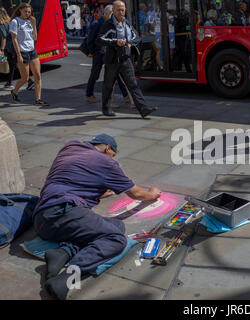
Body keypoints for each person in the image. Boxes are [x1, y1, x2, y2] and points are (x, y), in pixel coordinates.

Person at [32, 134, 161, 300]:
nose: (113, 159)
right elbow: (136, 193)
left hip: (42, 219)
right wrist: (152, 194)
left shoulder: (70, 147)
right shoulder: (106, 162)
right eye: (113, 155)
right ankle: (65, 280)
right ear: (108, 148)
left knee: (117, 225)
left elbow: (72, 178)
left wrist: (95, 192)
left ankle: (63, 252)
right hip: (63, 212)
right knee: (115, 239)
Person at [97, 1, 157, 117]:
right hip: (112, 60)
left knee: (133, 84)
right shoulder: (108, 25)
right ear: (113, 11)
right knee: (108, 85)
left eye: (123, 10)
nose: (121, 12)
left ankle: (143, 109)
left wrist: (129, 43)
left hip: (125, 59)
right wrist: (115, 42)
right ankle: (106, 108)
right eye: (118, 10)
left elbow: (137, 37)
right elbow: (99, 40)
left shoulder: (127, 24)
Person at [85, 5, 131, 105]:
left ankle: (126, 95)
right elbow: (90, 39)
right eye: (111, 13)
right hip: (99, 53)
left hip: (108, 52)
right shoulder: (97, 23)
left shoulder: (109, 23)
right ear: (105, 13)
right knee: (95, 74)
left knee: (117, 74)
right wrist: (92, 52)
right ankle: (89, 95)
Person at [10, 2, 48, 106]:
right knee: (25, 78)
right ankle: (14, 92)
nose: (27, 14)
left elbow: (34, 37)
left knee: (38, 76)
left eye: (29, 12)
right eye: (26, 11)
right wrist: (18, 55)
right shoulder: (15, 21)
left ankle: (38, 99)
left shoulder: (29, 21)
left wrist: (34, 24)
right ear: (20, 10)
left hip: (32, 51)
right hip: (22, 52)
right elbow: (14, 39)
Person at [0, 7, 14, 90]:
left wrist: (1, 50)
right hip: (12, 46)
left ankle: (9, 82)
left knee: (4, 62)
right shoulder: (9, 22)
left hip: (6, 48)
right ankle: (9, 82)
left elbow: (3, 38)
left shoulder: (1, 24)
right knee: (12, 64)